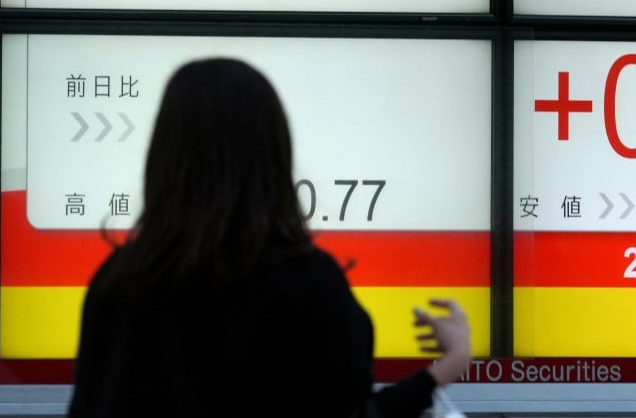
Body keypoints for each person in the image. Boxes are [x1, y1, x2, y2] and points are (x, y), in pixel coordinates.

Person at [68, 57, 471, 417]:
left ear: (165, 157)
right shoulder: (310, 284)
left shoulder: (119, 283)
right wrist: (448, 365)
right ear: (274, 153)